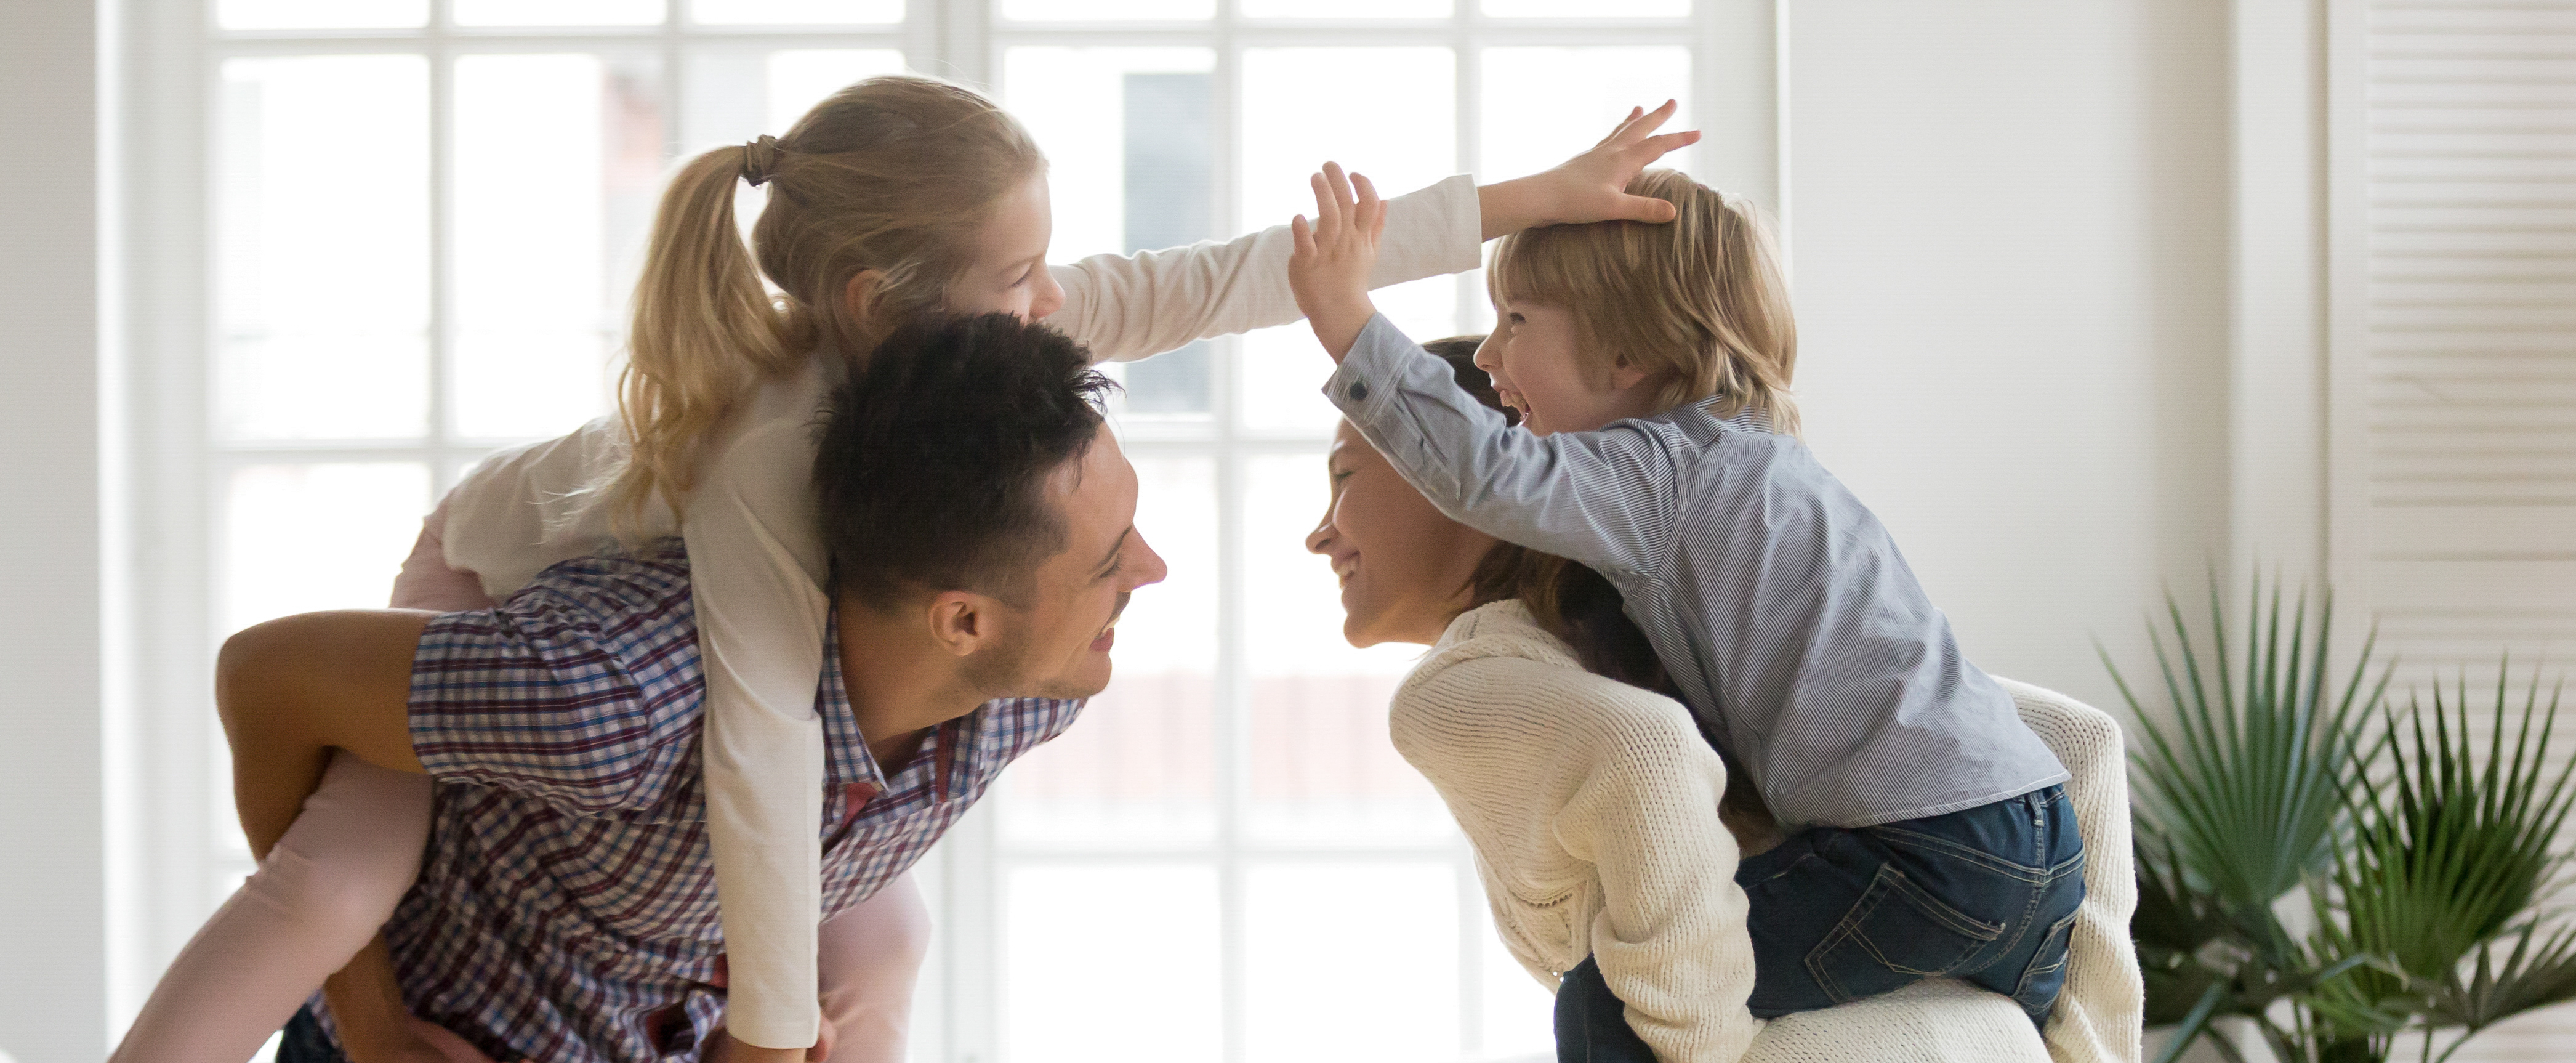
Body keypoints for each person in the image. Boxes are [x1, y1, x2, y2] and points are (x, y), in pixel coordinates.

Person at [115, 73, 1699, 1063]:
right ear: (882, 298)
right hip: (481, 574)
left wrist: (1520, 200)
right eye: (1018, 268)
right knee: (336, 879)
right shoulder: (765, 464)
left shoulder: (979, 348)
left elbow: (1223, 276)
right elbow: (759, 747)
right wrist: (762, 1031)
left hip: (699, 742)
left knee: (887, 932)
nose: (1050, 295)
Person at [1284, 161, 2088, 1062]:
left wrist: (1343, 319)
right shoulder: (1764, 456)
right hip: (2041, 840)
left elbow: (1485, 474)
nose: (1487, 357)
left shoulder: (1658, 472)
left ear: (1629, 356)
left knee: (1611, 999)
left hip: (1926, 854)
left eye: (1515, 323)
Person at [202, 315, 1147, 1063]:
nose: (1150, 570)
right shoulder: (610, 702)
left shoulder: (1031, 684)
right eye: (1111, 561)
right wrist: (375, 1033)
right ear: (963, 620)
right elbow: (263, 677)